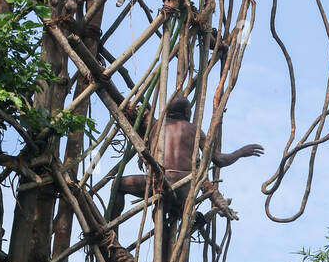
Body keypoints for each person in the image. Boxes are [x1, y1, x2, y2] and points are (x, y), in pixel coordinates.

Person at [108, 92, 263, 227]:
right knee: (165, 216)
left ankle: (112, 232)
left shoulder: (154, 127)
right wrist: (241, 152)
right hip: (184, 189)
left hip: (158, 183)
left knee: (118, 184)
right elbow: (219, 160)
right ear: (186, 112)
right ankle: (175, 215)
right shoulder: (194, 130)